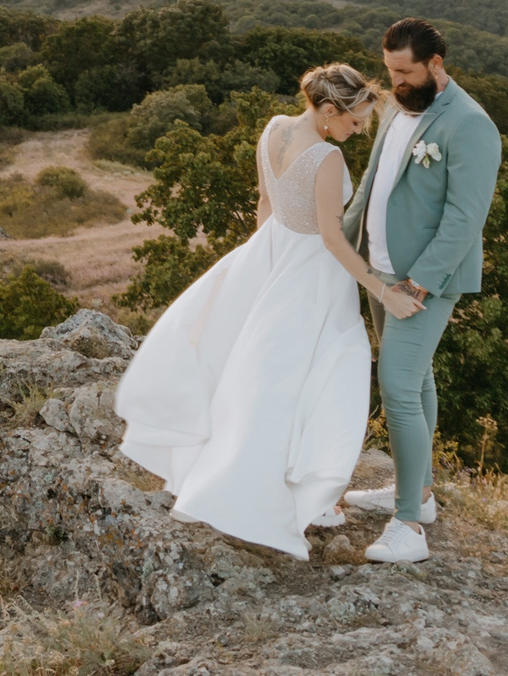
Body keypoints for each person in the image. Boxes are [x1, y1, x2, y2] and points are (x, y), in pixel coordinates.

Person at [114, 63, 412, 560]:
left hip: (271, 255)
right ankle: (299, 496)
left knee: (267, 377)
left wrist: (263, 267)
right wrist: (384, 292)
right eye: (355, 121)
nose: (359, 131)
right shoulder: (327, 158)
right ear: (328, 110)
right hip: (314, 275)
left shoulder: (274, 128)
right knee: (319, 377)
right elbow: (333, 240)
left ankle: (299, 493)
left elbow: (265, 203)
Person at [334, 16, 502, 563]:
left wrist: (419, 282)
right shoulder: (397, 105)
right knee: (417, 375)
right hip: (380, 269)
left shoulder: (470, 124)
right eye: (390, 72)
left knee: (399, 387)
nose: (396, 82)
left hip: (423, 281)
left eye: (405, 73)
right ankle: (421, 492)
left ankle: (408, 525)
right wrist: (342, 243)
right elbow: (373, 184)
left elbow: (464, 218)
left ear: (436, 63)